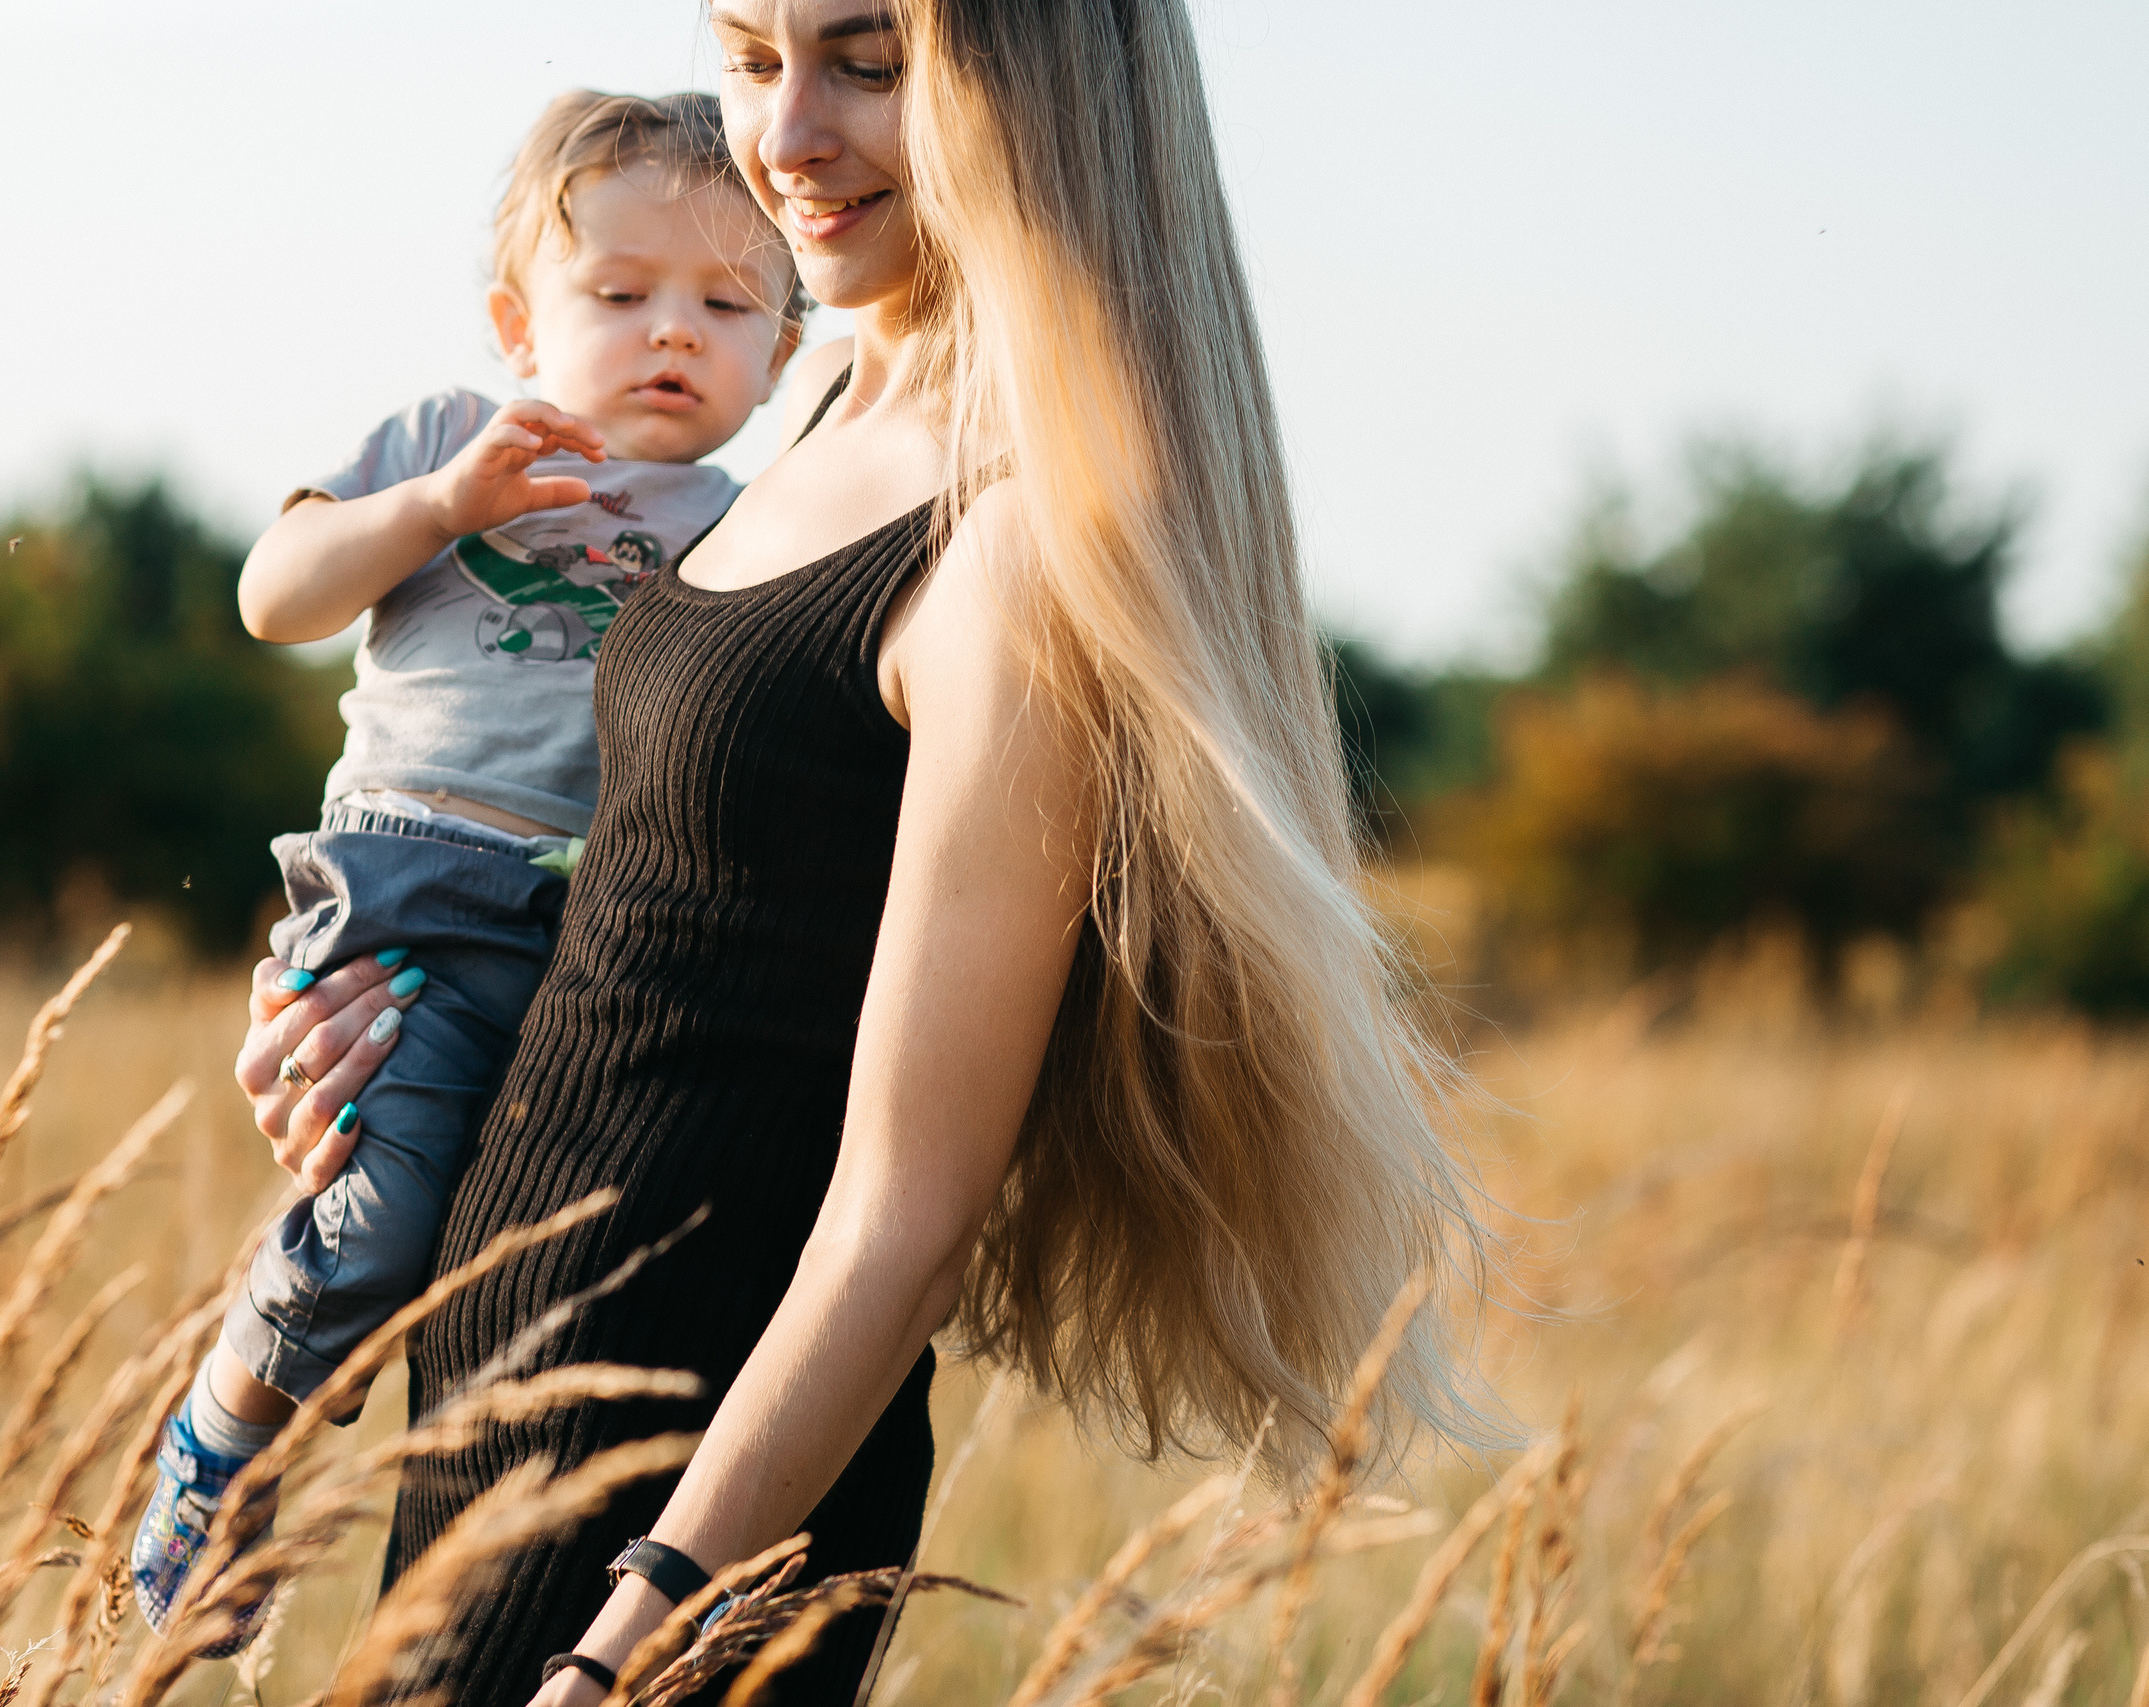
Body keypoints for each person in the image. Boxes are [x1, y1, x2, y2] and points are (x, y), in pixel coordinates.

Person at [238, 1, 1494, 1700]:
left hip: (677, 1498)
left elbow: (909, 1202)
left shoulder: (1015, 543)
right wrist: (375, 1016)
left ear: (1036, 93)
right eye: (752, 56)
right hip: (504, 1402)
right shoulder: (815, 388)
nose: (786, 135)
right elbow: (665, 924)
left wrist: (631, 1640)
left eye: (870, 66)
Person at [131, 89, 804, 1651]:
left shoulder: (747, 521)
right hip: (410, 880)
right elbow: (271, 595)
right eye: (621, 294)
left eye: (726, 303)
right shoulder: (452, 436)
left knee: (486, 1239)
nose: (672, 335)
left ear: (783, 351)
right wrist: (437, 509)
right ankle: (230, 1429)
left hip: (585, 916)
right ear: (521, 320)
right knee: (383, 1217)